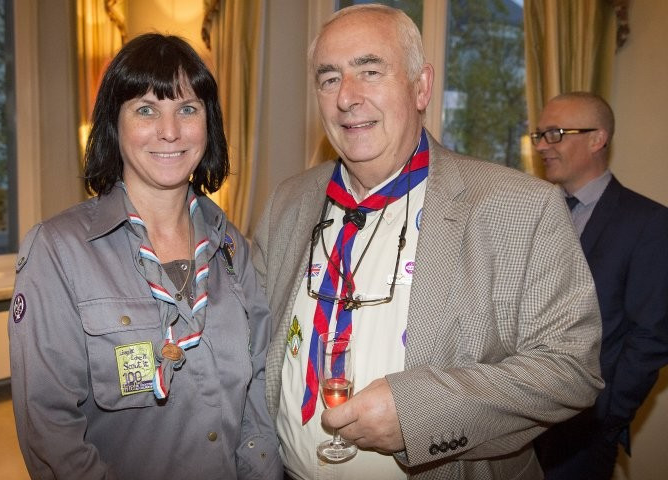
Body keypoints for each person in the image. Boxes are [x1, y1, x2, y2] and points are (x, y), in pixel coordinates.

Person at [251, 5, 605, 480]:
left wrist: (418, 412)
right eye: (329, 78)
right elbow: (252, 347)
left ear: (421, 87)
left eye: (370, 71)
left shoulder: (520, 207)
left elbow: (571, 369)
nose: (347, 98)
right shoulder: (286, 204)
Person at [8, 33, 281, 480]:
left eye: (188, 109)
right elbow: (50, 431)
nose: (170, 131)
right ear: (115, 124)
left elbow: (257, 392)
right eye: (147, 109)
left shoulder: (232, 246)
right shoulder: (58, 252)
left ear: (207, 124)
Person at [531, 91, 668, 479]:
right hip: (519, 417)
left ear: (597, 139)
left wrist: (606, 413)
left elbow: (652, 336)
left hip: (584, 431)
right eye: (539, 135)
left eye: (555, 133)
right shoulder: (536, 212)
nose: (542, 145)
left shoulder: (648, 223)